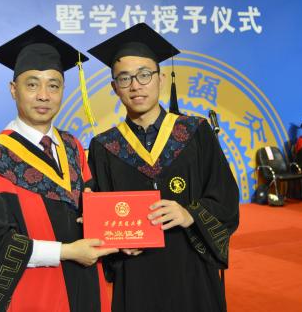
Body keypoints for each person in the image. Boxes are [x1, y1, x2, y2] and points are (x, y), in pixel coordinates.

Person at [0, 25, 116, 311]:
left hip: (87, 287)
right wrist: (66, 252)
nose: (44, 95)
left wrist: (122, 235)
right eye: (32, 85)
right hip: (32, 295)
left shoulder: (73, 148)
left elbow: (93, 211)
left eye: (53, 85)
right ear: (13, 90)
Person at [86, 23, 240, 312]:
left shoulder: (195, 132)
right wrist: (115, 244)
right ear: (114, 88)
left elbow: (226, 198)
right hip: (136, 273)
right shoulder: (104, 146)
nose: (136, 85)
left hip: (192, 266)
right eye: (124, 78)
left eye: (144, 74)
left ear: (161, 78)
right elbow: (99, 214)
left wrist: (190, 213)